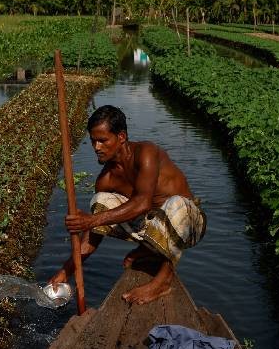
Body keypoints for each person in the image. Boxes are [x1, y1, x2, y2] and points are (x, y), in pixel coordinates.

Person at [48, 105, 206, 305]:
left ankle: (164, 279)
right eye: (93, 141)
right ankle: (150, 249)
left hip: (190, 224)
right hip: (150, 227)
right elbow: (94, 232)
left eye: (103, 140)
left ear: (121, 137)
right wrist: (66, 270)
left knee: (177, 204)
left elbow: (143, 202)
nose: (97, 147)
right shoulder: (106, 179)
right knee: (100, 201)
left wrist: (90, 220)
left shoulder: (146, 153)